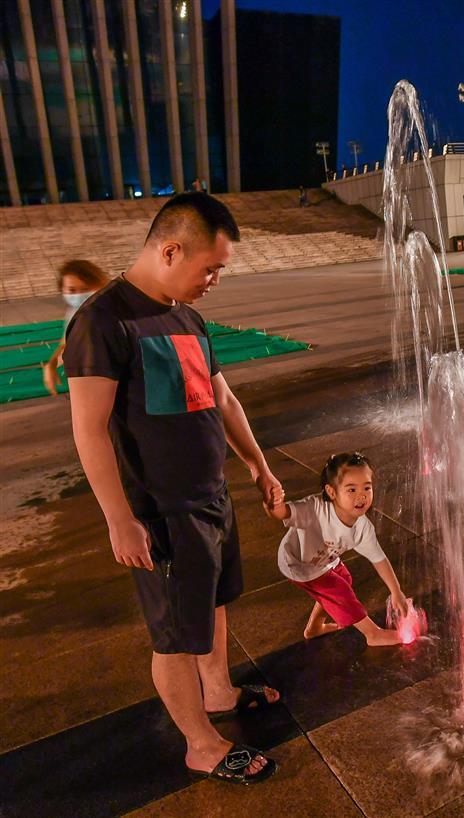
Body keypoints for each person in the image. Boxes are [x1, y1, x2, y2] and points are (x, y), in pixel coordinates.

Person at [65, 191, 282, 785]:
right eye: (208, 268)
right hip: (161, 510)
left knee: (211, 605)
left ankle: (219, 693)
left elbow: (223, 397)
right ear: (169, 249)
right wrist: (118, 518)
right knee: (173, 636)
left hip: (210, 495)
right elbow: (88, 430)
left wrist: (259, 467)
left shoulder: (187, 315)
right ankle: (201, 745)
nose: (213, 280)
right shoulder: (104, 321)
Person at [266, 452, 411, 645]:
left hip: (325, 561)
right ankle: (372, 634)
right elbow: (284, 512)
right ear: (332, 492)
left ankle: (315, 627)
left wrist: (396, 591)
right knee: (339, 591)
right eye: (351, 490)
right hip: (298, 563)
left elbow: (379, 559)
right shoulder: (315, 508)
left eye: (367, 488)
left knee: (345, 579)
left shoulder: (362, 527)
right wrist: (273, 503)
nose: (362, 495)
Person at [42, 260, 109, 396]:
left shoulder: (111, 312)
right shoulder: (74, 312)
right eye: (72, 290)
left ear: (100, 285)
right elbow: (68, 340)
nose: (78, 295)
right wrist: (52, 362)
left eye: (85, 289)